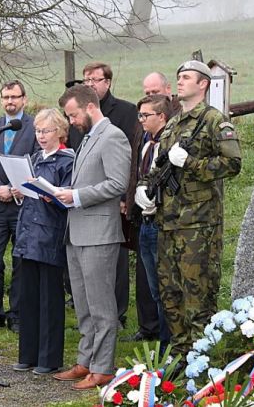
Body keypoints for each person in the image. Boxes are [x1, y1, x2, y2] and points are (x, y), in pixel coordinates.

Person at [136, 60, 242, 357]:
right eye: (178, 77)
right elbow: (161, 166)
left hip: (198, 224)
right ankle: (181, 357)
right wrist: (145, 188)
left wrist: (192, 163)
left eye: (186, 78)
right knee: (171, 295)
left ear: (203, 84)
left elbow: (233, 164)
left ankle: (204, 359)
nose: (179, 82)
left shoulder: (214, 121)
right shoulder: (173, 123)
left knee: (197, 295)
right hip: (168, 222)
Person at [53, 84, 130, 390]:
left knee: (101, 306)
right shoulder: (87, 138)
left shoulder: (112, 136)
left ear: (88, 107)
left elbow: (116, 183)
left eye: (72, 115)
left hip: (99, 233)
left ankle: (103, 367)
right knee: (83, 304)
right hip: (77, 231)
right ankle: (85, 360)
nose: (70, 121)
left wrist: (77, 196)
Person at [68, 61, 137, 329]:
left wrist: (125, 199)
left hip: (109, 205)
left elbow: (123, 166)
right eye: (86, 80)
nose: (90, 85)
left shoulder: (123, 115)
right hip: (83, 205)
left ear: (107, 82)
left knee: (111, 269)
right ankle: (89, 342)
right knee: (87, 284)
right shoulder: (82, 123)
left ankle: (116, 315)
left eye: (95, 80)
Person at [11, 109, 74, 376]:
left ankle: (49, 358)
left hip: (50, 234)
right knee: (28, 297)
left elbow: (68, 197)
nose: (41, 136)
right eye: (38, 131)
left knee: (49, 298)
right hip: (28, 235)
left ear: (59, 132)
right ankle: (28, 353)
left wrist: (49, 193)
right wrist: (19, 191)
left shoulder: (67, 160)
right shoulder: (34, 158)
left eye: (46, 131)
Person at [0, 80, 38, 332]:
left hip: (23, 204)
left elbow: (36, 158)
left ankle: (17, 313)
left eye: (14, 97)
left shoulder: (35, 126)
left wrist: (17, 189)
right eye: (5, 97)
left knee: (20, 258)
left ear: (24, 99)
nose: (10, 101)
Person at [128, 94, 175, 348]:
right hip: (144, 221)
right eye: (140, 115)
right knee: (154, 287)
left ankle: (168, 343)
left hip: (162, 222)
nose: (142, 120)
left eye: (146, 115)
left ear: (162, 117)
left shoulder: (168, 144)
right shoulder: (146, 143)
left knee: (166, 288)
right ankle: (160, 338)